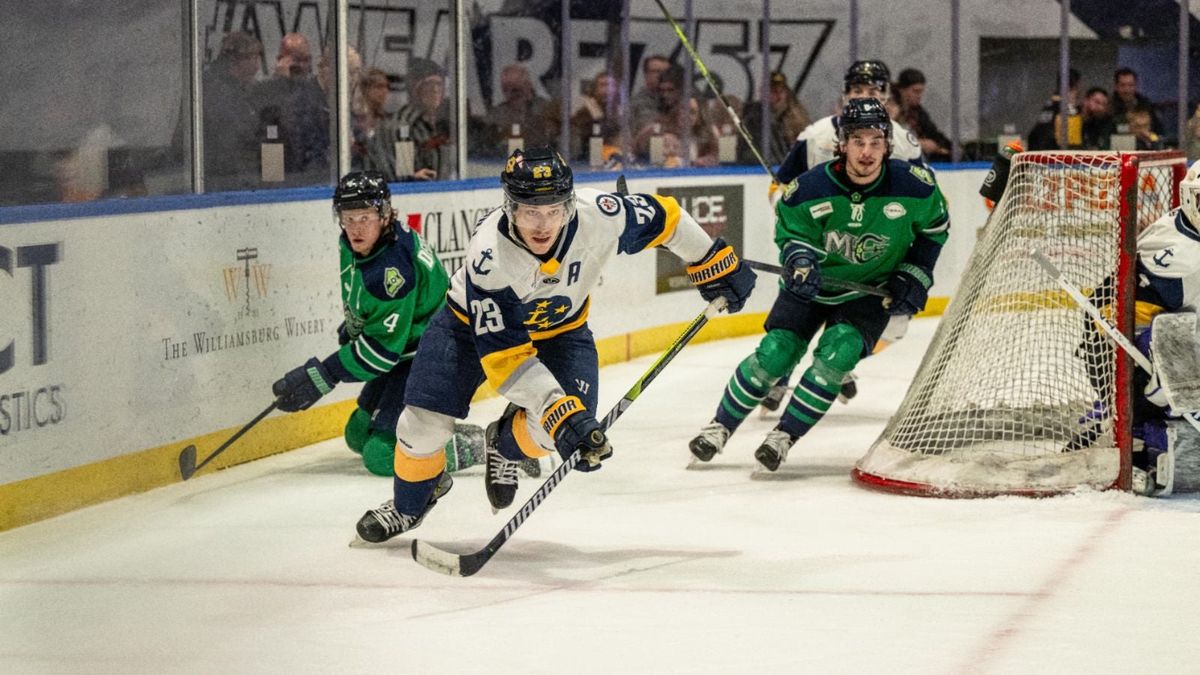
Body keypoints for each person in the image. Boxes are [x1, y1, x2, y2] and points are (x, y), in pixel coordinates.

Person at [352, 146, 758, 542]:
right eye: (531, 211)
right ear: (510, 207)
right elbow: (507, 359)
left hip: (563, 332)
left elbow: (667, 218)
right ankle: (408, 507)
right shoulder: (490, 256)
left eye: (554, 210)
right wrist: (556, 410)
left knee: (551, 435)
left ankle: (503, 446)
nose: (543, 224)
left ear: (570, 203)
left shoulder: (600, 215)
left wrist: (710, 259)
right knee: (421, 427)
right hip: (464, 330)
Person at [688, 98, 949, 472]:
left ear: (888, 146)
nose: (867, 152)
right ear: (842, 143)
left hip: (868, 292)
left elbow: (935, 230)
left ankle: (783, 437)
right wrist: (801, 260)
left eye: (876, 142)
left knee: (836, 358)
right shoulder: (809, 189)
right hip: (810, 287)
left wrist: (915, 274)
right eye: (858, 141)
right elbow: (791, 232)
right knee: (776, 354)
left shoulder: (916, 189)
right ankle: (720, 427)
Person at [270, 172, 470, 478]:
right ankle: (429, 431)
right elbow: (374, 311)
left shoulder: (391, 271)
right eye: (348, 218)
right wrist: (355, 324)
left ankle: (481, 444)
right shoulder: (360, 245)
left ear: (384, 214)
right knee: (357, 434)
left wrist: (325, 374)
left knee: (381, 455)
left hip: (434, 357)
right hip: (409, 350)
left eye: (364, 217)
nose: (355, 228)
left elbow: (381, 352)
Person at [762, 60, 925, 410]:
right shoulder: (816, 135)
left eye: (873, 91)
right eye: (857, 91)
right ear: (844, 95)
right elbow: (781, 184)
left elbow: (924, 198)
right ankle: (782, 374)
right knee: (800, 316)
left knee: (894, 326)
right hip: (822, 249)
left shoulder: (904, 142)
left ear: (886, 96)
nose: (864, 97)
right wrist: (784, 203)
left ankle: (837, 361)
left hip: (873, 254)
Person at [254, 33, 329, 185]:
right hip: (278, 171)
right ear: (281, 60)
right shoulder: (264, 90)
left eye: (306, 60)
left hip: (311, 174)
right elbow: (270, 129)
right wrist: (281, 81)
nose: (302, 66)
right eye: (296, 60)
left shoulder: (314, 92)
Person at [366, 57, 448, 181]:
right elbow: (405, 174)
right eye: (429, 84)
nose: (435, 89)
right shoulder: (404, 125)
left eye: (439, 84)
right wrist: (411, 177)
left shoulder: (439, 124)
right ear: (414, 89)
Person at [202, 32, 264, 192]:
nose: (258, 66)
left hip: (230, 176)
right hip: (221, 180)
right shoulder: (217, 90)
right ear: (237, 60)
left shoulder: (240, 88)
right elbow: (236, 135)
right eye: (254, 58)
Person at [738, 72, 812, 166]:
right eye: (773, 91)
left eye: (780, 91)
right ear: (761, 93)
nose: (778, 96)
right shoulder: (752, 116)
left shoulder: (797, 115)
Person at [892, 68, 951, 162]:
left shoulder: (917, 111)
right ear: (902, 90)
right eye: (915, 91)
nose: (919, 96)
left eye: (921, 92)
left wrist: (947, 148)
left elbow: (933, 132)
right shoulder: (891, 109)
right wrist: (918, 143)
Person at [1027, 68, 1081, 151]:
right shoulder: (1066, 108)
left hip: (1037, 152)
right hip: (1052, 156)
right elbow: (1071, 142)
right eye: (1076, 88)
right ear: (1070, 88)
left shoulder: (1050, 104)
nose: (1078, 92)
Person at [1111, 67, 1164, 138]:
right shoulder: (1109, 108)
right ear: (1116, 87)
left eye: (1130, 85)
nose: (1127, 90)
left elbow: (1158, 135)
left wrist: (1151, 137)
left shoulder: (1147, 106)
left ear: (1136, 86)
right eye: (1123, 85)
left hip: (1146, 146)